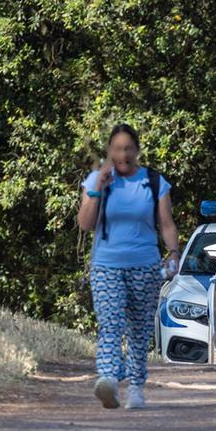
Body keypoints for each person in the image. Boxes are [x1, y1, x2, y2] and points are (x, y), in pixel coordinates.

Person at [77, 123, 180, 410]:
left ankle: (136, 386)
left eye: (128, 148)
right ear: (109, 151)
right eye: (118, 148)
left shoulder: (154, 181)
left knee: (139, 328)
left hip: (145, 266)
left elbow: (167, 224)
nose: (123, 154)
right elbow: (84, 224)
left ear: (137, 151)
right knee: (110, 324)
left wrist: (174, 253)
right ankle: (108, 380)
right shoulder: (96, 179)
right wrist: (98, 187)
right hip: (106, 266)